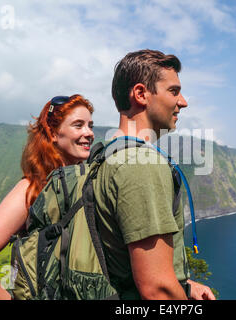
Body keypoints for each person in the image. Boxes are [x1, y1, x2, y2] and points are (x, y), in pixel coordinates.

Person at [94, 49, 216, 300]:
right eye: (173, 91)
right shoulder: (142, 164)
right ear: (140, 94)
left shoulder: (104, 155)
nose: (183, 101)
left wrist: (186, 286)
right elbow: (157, 291)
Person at [0, 94, 95, 300]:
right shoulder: (32, 189)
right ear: (54, 133)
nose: (89, 133)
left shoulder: (90, 181)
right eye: (78, 125)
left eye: (90, 125)